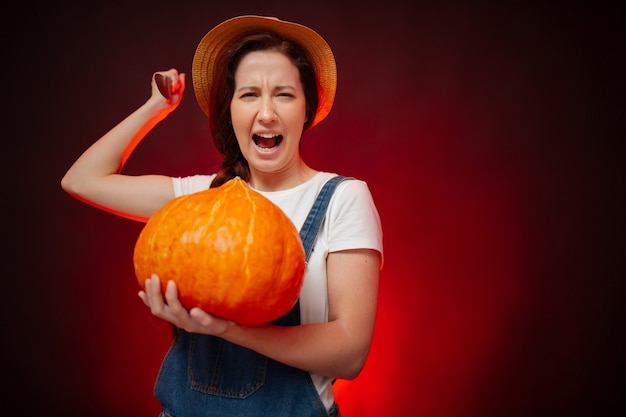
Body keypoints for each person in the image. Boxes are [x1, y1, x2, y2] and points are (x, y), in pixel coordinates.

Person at [61, 15, 383, 417]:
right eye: (249, 95)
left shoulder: (343, 199)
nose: (266, 113)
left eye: (284, 94)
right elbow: (82, 180)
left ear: (306, 110)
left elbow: (350, 353)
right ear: (229, 110)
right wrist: (155, 108)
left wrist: (231, 330)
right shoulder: (199, 197)